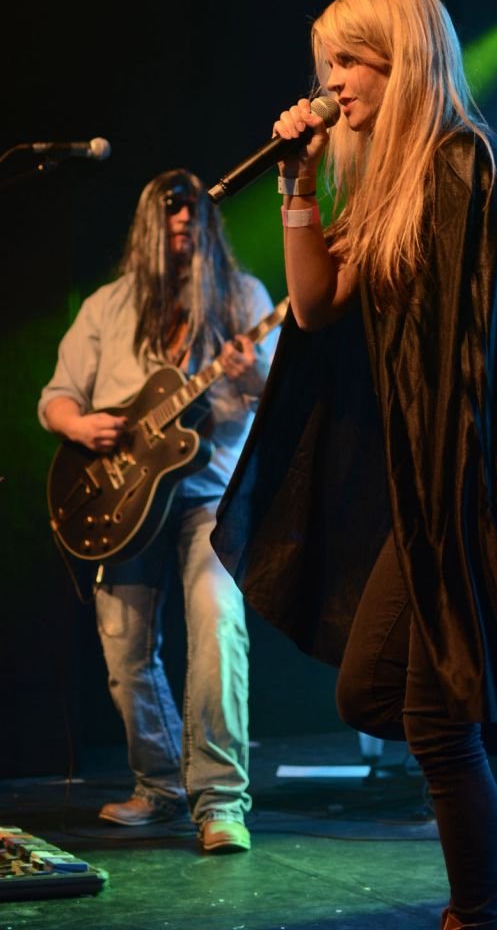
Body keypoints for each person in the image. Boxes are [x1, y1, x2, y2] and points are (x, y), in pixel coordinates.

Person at [210, 0, 497, 927]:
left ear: (406, 58)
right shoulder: (388, 182)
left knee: (433, 717)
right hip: (422, 492)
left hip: (466, 489)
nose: (333, 82)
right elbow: (313, 306)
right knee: (372, 694)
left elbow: (472, 369)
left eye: (351, 60)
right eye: (328, 63)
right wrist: (298, 181)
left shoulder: (464, 164)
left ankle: (476, 914)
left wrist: (465, 516)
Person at [39, 168, 278, 854]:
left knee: (219, 625)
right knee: (124, 647)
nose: (182, 217)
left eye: (193, 208)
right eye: (170, 207)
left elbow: (281, 392)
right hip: (122, 500)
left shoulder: (243, 297)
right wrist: (80, 426)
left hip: (209, 494)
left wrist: (251, 375)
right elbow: (56, 397)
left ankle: (221, 800)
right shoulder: (107, 306)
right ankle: (160, 785)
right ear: (149, 221)